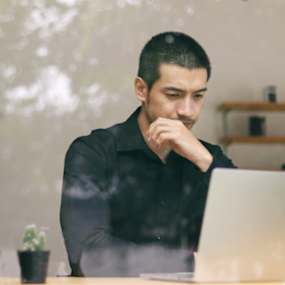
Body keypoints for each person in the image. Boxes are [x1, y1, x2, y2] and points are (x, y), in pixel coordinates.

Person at [60, 31, 236, 277]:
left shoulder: (208, 158)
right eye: (174, 95)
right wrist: (194, 263)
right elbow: (89, 254)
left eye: (198, 96)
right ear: (141, 89)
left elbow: (247, 243)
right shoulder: (93, 152)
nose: (188, 111)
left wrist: (205, 160)